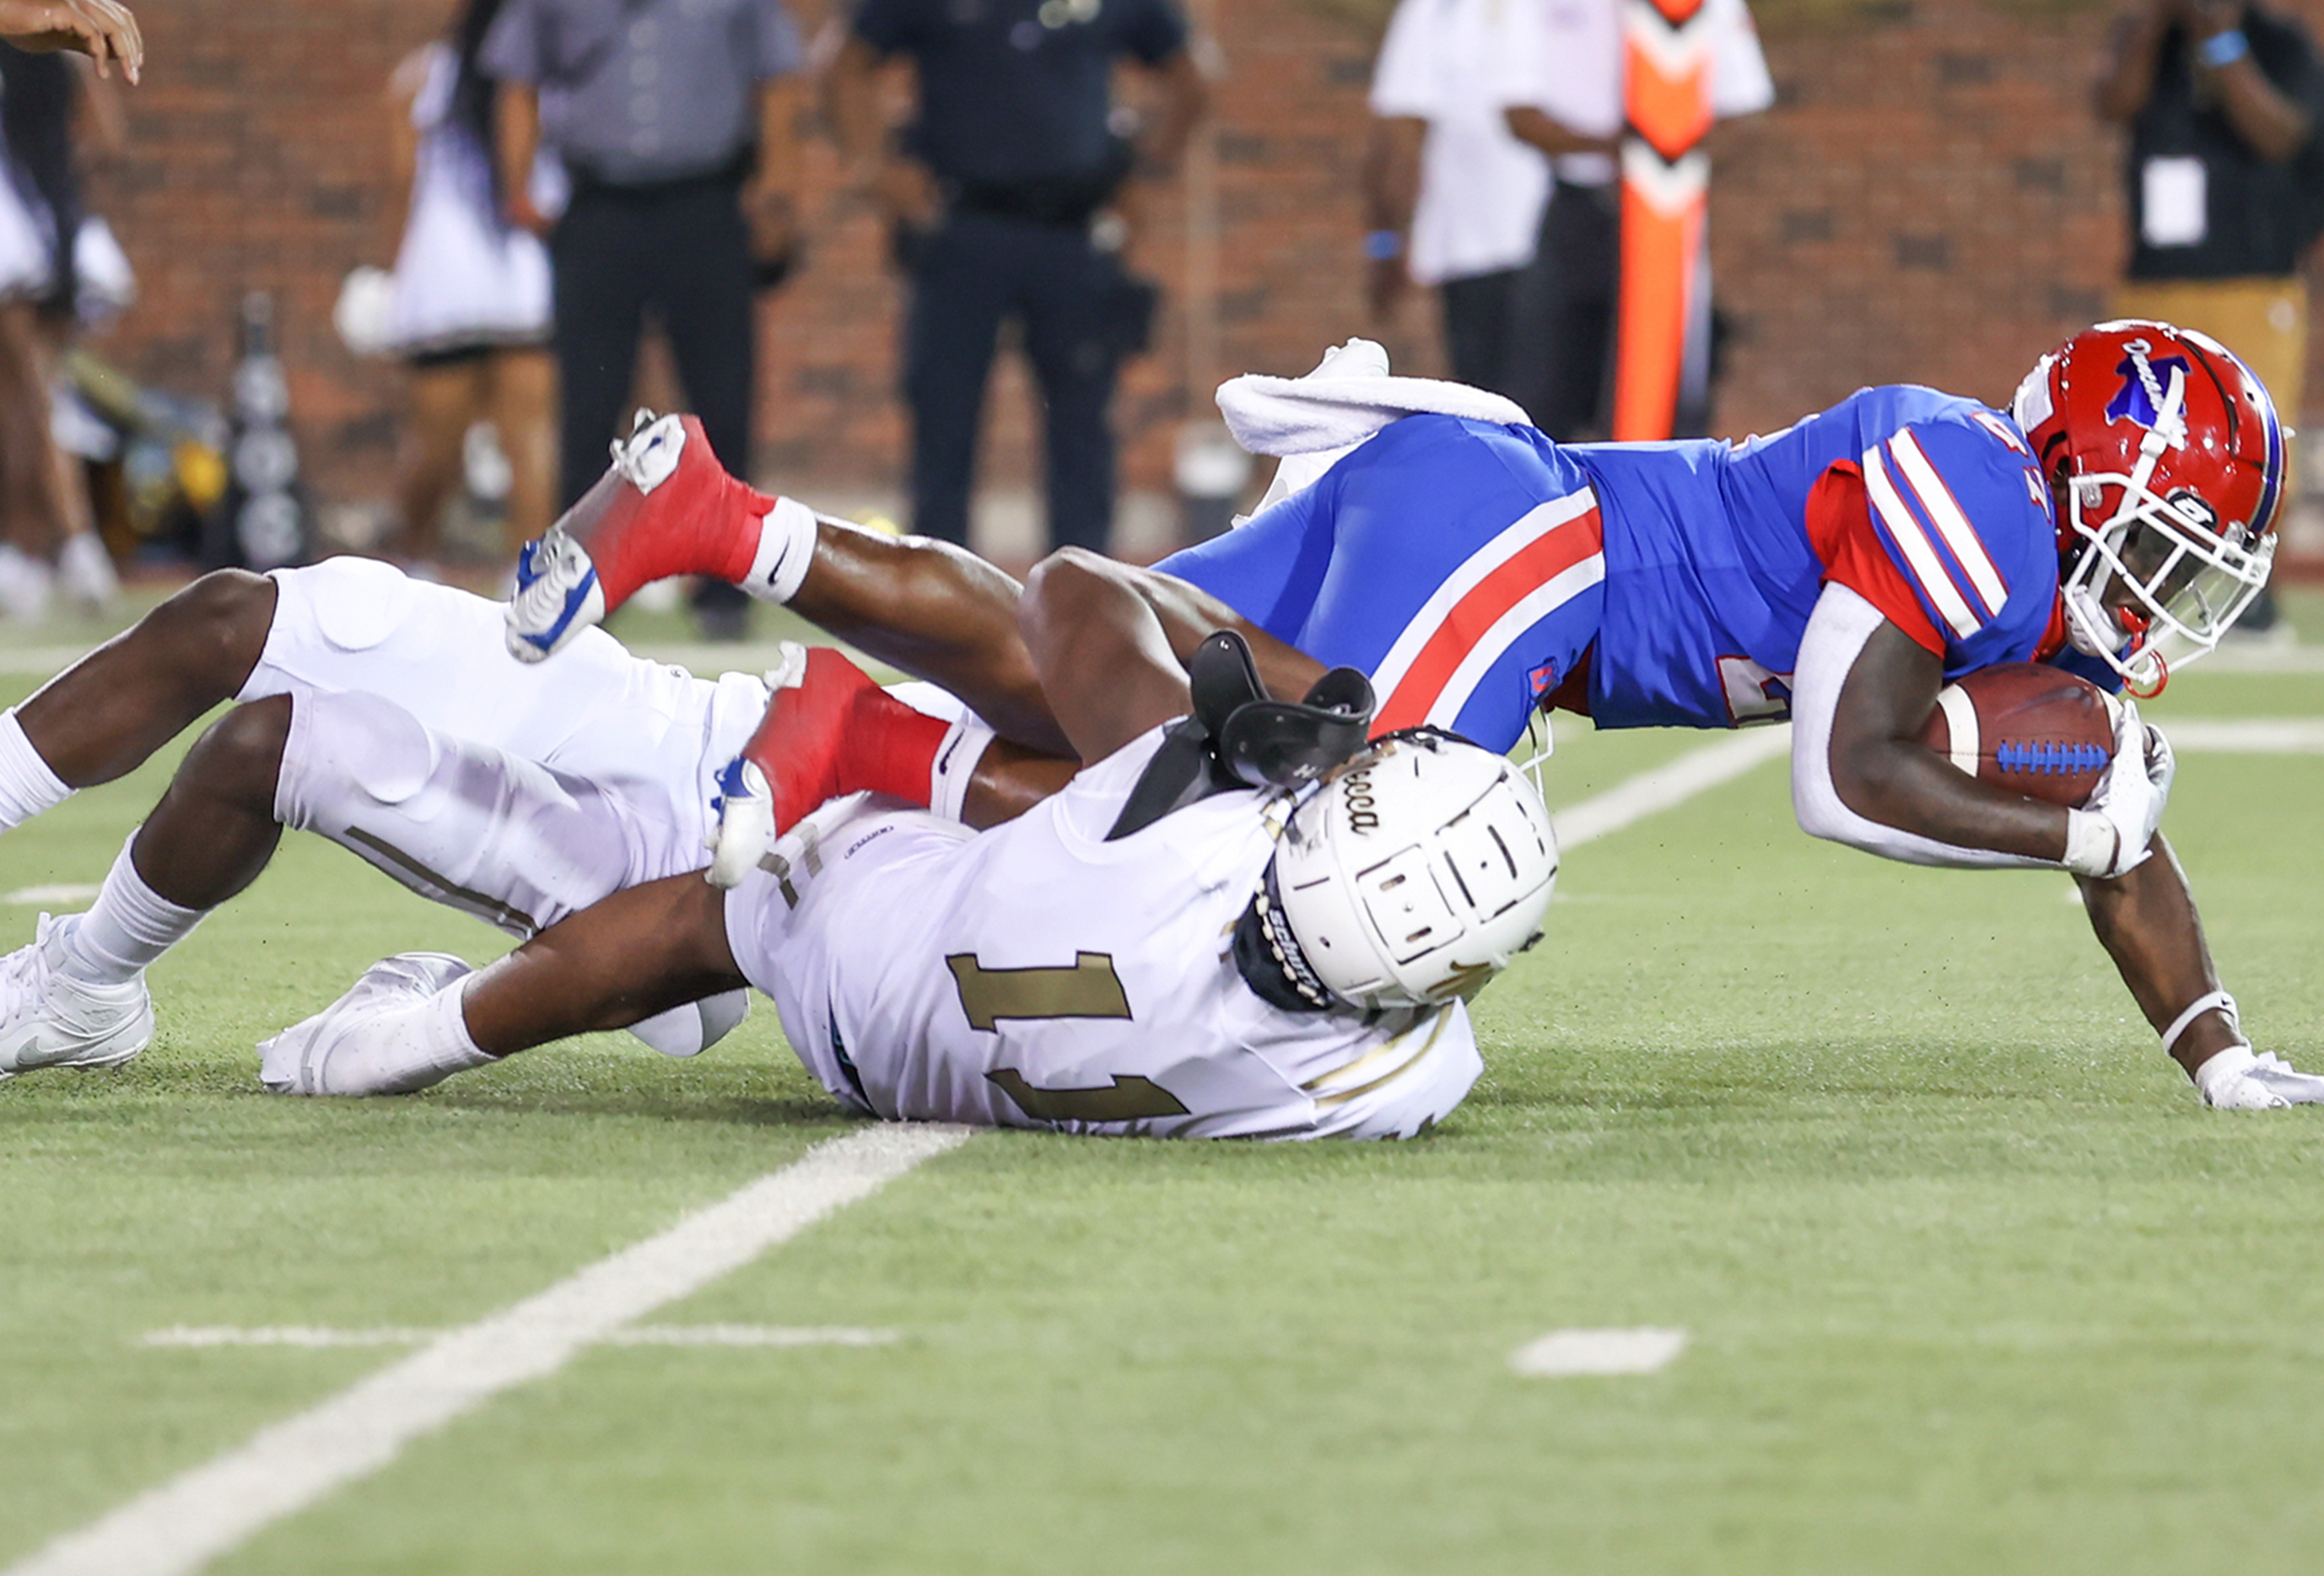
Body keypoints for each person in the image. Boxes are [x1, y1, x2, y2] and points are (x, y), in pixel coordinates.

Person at [507, 320, 2324, 1114]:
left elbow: (2119, 817)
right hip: (1532, 546)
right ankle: (854, 754)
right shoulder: (1973, 491)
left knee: (1078, 654)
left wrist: (2216, 1050)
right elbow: (1847, 782)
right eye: (2169, 544)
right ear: (2089, 478)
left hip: (1489, 527)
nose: (2178, 596)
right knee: (1236, 826)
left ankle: (727, 523)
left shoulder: (2029, 556)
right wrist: (2067, 820)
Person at [0, 545, 1555, 1142]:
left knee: (266, 721)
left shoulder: (1158, 836)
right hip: (755, 793)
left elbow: (1057, 605)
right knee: (252, 626)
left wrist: (1333, 716)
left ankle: (83, 986)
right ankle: (97, 984)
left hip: (738, 846)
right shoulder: (1360, 1062)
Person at [824, 0, 1208, 556]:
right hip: (963, 227)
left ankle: (1084, 580)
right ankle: (936, 585)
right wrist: (874, 169)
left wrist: (1146, 165)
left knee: (1082, 420)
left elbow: (1190, 72)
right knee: (943, 414)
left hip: (1072, 232)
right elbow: (843, 64)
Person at [481, 0, 805, 639]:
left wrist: (775, 189)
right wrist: (518, 183)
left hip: (706, 201)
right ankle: (583, 588)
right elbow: (515, 77)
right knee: (588, 403)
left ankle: (726, 590)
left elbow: (777, 80)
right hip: (600, 206)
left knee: (722, 400)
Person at [2095, 0, 2324, 634]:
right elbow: (2114, 104)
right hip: (2156, 279)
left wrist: (2222, 40)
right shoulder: (2147, 43)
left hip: (2251, 277)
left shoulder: (2276, 40)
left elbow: (2281, 133)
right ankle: (2127, 594)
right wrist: (2159, 19)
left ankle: (2254, 595)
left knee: (2257, 435)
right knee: (2134, 439)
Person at [1495, 0, 1772, 440]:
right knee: (1546, 381)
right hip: (1577, 207)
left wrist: (1665, 166)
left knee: (1664, 384)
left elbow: (1742, 110)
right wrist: (1618, 152)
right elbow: (1518, 112)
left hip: (1665, 211)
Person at [377, 0, 559, 565]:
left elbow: (403, 187)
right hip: (526, 276)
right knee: (530, 436)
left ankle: (410, 562)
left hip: (446, 280)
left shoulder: (422, 77)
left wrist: (392, 272)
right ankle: (529, 576)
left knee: (434, 442)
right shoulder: (550, 78)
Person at [1362, 0, 1559, 392]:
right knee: (1496, 413)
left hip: (1588, 247)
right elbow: (1400, 134)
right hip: (1476, 251)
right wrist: (1385, 242)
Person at [0, 0, 138, 621]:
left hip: (16, 231)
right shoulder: (52, 47)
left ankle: (69, 545)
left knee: (27, 398)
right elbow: (107, 136)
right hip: (53, 224)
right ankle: (39, 551)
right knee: (30, 396)